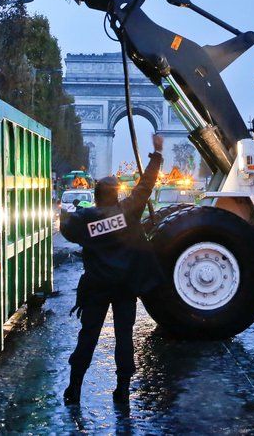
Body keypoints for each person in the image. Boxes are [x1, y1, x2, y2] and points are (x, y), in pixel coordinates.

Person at [60, 133, 165, 406]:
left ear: (95, 197)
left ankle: (75, 387)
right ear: (116, 195)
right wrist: (157, 154)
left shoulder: (84, 219)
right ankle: (122, 389)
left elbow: (66, 228)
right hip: (125, 287)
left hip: (95, 286)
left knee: (88, 336)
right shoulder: (128, 211)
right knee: (124, 337)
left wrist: (66, 212)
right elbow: (145, 187)